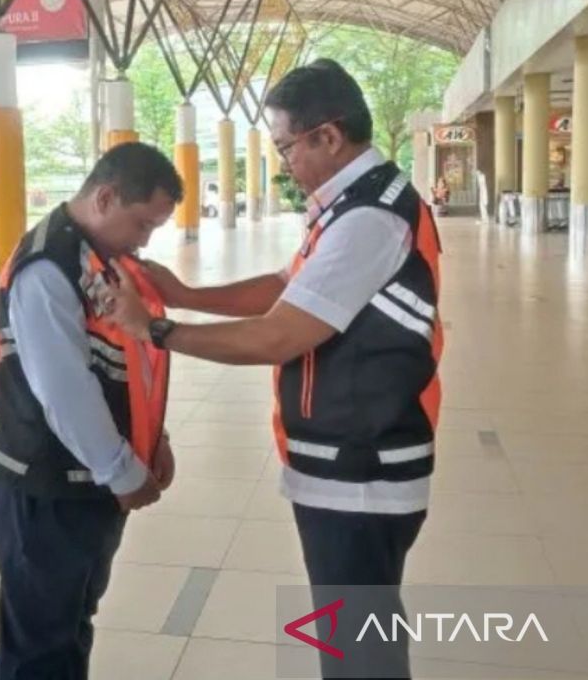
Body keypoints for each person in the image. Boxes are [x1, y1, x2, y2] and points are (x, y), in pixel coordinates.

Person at [105, 59, 443, 680]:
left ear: (328, 137)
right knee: (358, 641)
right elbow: (286, 289)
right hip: (351, 460)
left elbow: (278, 335)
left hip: (360, 471)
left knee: (358, 654)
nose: (284, 158)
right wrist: (186, 294)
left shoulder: (369, 220)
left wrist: (155, 329)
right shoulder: (353, 207)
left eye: (287, 143)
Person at [0, 142, 180, 680]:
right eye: (142, 224)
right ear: (105, 197)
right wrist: (121, 470)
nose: (145, 240)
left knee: (71, 623)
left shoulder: (99, 258)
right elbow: (65, 389)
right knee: (40, 643)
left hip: (87, 478)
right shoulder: (48, 266)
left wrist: (150, 438)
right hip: (45, 484)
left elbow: (124, 356)